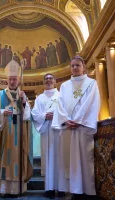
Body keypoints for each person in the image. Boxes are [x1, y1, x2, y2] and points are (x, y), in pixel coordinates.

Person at [52, 56, 100, 200]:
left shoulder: (91, 83)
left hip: (83, 127)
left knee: (86, 159)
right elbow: (59, 105)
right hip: (69, 129)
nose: (75, 68)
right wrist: (67, 121)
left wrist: (78, 121)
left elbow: (91, 103)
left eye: (77, 65)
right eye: (72, 66)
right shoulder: (65, 86)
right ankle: (74, 190)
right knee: (70, 161)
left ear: (83, 66)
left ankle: (87, 191)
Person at [0, 60, 33, 197]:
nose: (12, 81)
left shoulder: (22, 95)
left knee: (18, 158)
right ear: (7, 80)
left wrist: (24, 102)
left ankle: (17, 188)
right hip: (5, 133)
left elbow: (28, 115)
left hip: (19, 133)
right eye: (10, 79)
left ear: (18, 80)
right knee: (5, 158)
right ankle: (4, 189)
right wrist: (1, 112)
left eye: (14, 79)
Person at [32, 74, 65, 198]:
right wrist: (45, 116)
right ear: (43, 82)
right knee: (48, 159)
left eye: (51, 78)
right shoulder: (39, 98)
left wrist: (56, 116)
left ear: (55, 81)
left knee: (60, 158)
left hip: (59, 131)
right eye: (46, 79)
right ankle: (49, 188)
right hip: (46, 132)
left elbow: (66, 111)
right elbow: (35, 114)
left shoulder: (61, 96)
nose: (48, 80)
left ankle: (61, 188)